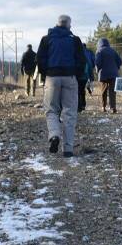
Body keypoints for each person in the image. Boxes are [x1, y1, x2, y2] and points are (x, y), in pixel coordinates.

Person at [37, 15, 87, 157]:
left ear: (57, 24)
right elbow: (82, 61)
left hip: (52, 78)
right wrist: (76, 75)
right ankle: (68, 149)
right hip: (70, 77)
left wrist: (46, 74)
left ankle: (54, 135)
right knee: (69, 113)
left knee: (51, 110)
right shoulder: (75, 40)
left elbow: (39, 59)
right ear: (69, 25)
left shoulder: (46, 39)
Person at [94, 38, 122, 113]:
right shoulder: (113, 51)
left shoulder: (99, 51)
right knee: (112, 91)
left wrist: (97, 70)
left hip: (103, 74)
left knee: (104, 91)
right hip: (113, 74)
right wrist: (116, 68)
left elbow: (97, 63)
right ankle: (113, 108)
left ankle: (103, 107)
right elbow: (120, 62)